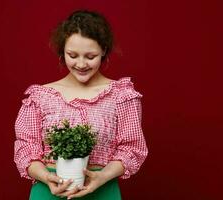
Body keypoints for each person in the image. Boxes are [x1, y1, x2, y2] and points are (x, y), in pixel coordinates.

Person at [14, 10, 148, 200]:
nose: (81, 63)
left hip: (102, 191)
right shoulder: (40, 97)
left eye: (90, 56)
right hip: (48, 191)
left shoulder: (121, 95)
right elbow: (26, 148)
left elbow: (131, 149)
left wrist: (102, 177)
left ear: (103, 50)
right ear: (63, 52)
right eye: (73, 55)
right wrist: (47, 177)